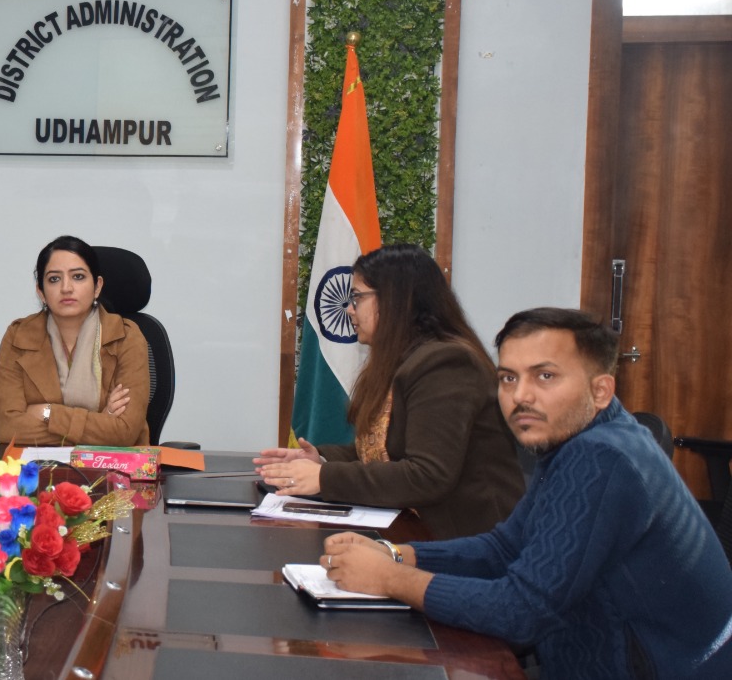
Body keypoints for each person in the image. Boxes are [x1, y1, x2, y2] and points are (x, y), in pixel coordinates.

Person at [317, 308, 732, 678]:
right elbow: (505, 548)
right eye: (508, 378)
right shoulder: (578, 439)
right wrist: (395, 553)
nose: (520, 397)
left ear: (600, 391)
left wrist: (390, 578)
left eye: (545, 376)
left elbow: (521, 612)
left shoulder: (601, 456)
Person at [256, 244, 523, 539]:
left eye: (357, 297)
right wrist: (319, 459)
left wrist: (324, 477)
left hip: (470, 540)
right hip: (417, 528)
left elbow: (428, 475)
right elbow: (385, 452)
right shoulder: (402, 359)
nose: (349, 309)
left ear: (397, 300)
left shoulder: (446, 363)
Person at [0, 235, 149, 446]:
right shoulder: (18, 336)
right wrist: (102, 422)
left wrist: (48, 413)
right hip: (37, 464)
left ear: (97, 286)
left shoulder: (126, 337)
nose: (66, 288)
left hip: (112, 464)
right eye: (54, 279)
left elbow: (124, 432)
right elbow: (8, 428)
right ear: (41, 292)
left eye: (78, 276)